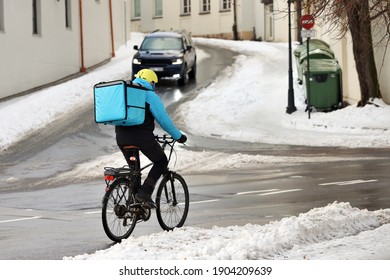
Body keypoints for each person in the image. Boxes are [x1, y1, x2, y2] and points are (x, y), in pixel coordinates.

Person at [115, 69, 187, 207]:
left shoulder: (126, 92)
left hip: (121, 138)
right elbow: (164, 120)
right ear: (151, 82)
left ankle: (133, 204)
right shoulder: (149, 95)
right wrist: (178, 136)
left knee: (134, 172)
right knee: (161, 161)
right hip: (141, 138)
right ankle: (145, 192)